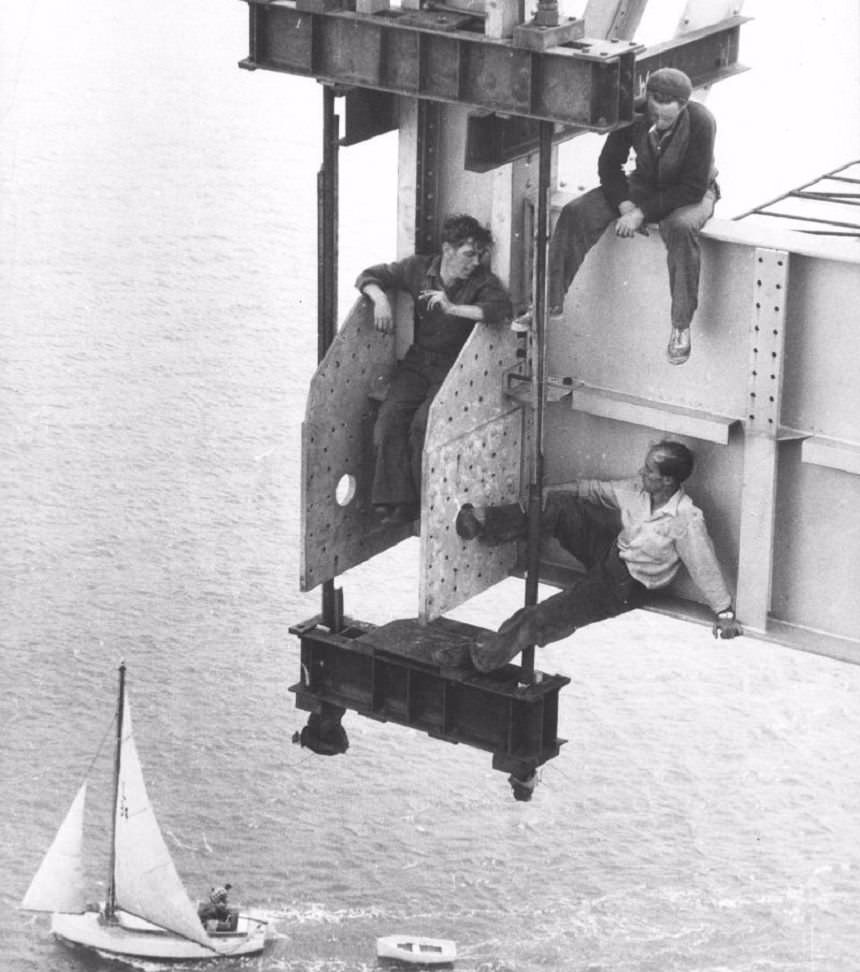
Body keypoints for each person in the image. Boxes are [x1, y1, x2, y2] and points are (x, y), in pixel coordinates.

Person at [450, 440, 742, 672]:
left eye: (649, 471)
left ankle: (487, 657)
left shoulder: (686, 520)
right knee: (562, 505)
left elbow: (705, 566)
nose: (642, 473)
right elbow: (590, 490)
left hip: (625, 586)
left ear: (668, 481)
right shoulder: (637, 490)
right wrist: (542, 498)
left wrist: (724, 613)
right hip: (611, 555)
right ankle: (486, 523)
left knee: (544, 614)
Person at [516, 67, 718, 365]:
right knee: (576, 212)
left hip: (691, 192)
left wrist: (642, 213)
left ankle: (680, 325)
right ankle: (548, 301)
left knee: (679, 227)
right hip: (645, 184)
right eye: (655, 115)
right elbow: (609, 165)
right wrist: (624, 205)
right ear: (647, 100)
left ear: (684, 107)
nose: (660, 123)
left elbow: (692, 187)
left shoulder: (701, 121)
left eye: (668, 119)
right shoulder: (633, 113)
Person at [357, 214, 512, 524]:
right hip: (418, 362)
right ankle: (392, 501)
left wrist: (453, 308)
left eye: (479, 255)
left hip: (452, 368)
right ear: (448, 250)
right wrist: (380, 301)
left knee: (423, 424)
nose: (474, 262)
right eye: (469, 254)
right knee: (389, 419)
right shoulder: (418, 269)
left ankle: (417, 503)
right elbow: (371, 275)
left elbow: (500, 310)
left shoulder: (480, 282)